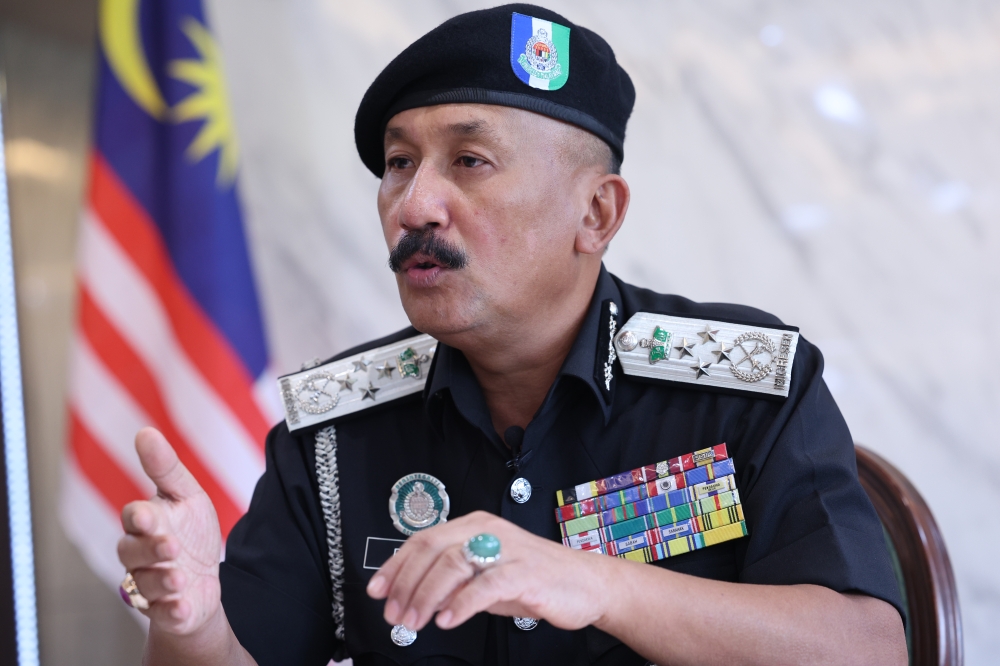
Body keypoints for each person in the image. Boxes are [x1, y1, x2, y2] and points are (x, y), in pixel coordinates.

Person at [115, 4, 907, 665]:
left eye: (469, 160)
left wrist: (595, 583)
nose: (414, 204)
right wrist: (191, 625)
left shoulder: (737, 388)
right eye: (398, 163)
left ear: (596, 214)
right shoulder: (336, 427)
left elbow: (867, 648)